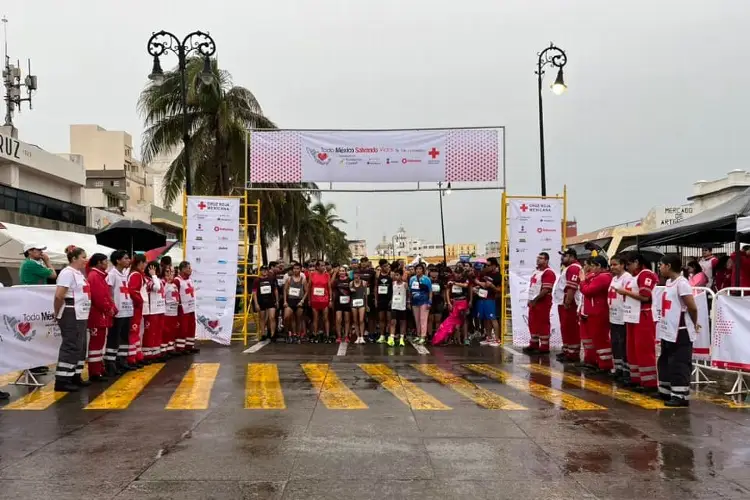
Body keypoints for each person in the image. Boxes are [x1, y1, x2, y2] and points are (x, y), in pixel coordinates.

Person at [657, 254, 700, 407]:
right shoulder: (669, 282)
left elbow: (692, 307)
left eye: (661, 265)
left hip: (680, 330)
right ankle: (666, 390)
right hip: (668, 328)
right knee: (666, 360)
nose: (659, 268)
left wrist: (694, 324)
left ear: (668, 266)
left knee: (679, 362)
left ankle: (680, 395)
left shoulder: (682, 283)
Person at [617, 252, 659, 392]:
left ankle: (649, 382)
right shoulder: (634, 277)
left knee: (644, 349)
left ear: (636, 262)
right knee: (632, 349)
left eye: (628, 264)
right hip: (632, 316)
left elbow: (645, 296)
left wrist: (625, 292)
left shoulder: (646, 274)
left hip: (643, 316)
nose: (627, 267)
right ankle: (636, 378)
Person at [52, 247, 91, 392]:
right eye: (83, 257)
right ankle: (62, 380)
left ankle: (75, 374)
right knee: (71, 345)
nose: (85, 260)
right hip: (71, 312)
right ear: (74, 258)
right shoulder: (67, 273)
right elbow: (59, 296)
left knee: (80, 347)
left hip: (81, 313)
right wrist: (57, 313)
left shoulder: (79, 274)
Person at [19, 243, 57, 376]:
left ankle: (35, 363)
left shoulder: (34, 264)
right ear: (29, 251)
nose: (41, 252)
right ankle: (31, 364)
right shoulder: (31, 264)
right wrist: (48, 261)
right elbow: (53, 275)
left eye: (42, 250)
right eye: (38, 250)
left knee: (36, 333)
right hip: (32, 303)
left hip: (35, 302)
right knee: (32, 333)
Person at [578, 255, 613, 372]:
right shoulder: (598, 276)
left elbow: (588, 291)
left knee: (601, 339)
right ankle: (597, 362)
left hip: (599, 312)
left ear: (599, 266)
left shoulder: (603, 277)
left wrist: (583, 281)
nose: (591, 269)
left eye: (593, 266)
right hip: (593, 312)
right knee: (595, 339)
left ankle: (605, 365)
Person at [86, 253, 117, 382]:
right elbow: (98, 297)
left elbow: (106, 295)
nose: (107, 264)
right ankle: (94, 371)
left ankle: (99, 368)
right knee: (96, 343)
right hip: (97, 315)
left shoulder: (99, 276)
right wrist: (108, 308)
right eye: (105, 261)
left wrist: (112, 307)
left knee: (100, 343)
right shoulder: (95, 276)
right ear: (99, 262)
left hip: (101, 315)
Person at [524, 252, 557, 355]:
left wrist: (535, 300)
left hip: (542, 302)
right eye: (538, 258)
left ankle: (544, 347)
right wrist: (530, 300)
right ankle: (533, 344)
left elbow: (546, 289)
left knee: (542, 323)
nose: (538, 260)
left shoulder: (548, 272)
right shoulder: (536, 272)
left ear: (546, 260)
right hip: (534, 302)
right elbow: (533, 287)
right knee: (533, 323)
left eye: (541, 258)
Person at [107, 250, 133, 374]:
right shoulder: (112, 274)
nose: (128, 260)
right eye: (126, 258)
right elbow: (108, 291)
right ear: (118, 260)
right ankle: (110, 363)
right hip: (117, 311)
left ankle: (122, 360)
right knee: (114, 337)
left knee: (124, 337)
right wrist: (112, 306)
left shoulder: (124, 274)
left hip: (127, 309)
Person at [553, 249, 582, 362]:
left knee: (571, 328)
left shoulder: (574, 268)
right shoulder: (569, 268)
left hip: (570, 303)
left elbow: (572, 287)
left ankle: (573, 354)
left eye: (564, 256)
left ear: (571, 256)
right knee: (565, 327)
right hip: (564, 301)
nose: (562, 258)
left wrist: (568, 302)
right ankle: (567, 350)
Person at [608, 255, 632, 381]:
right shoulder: (614, 279)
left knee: (623, 344)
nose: (612, 267)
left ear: (622, 265)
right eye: (611, 265)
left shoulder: (627, 278)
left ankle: (626, 370)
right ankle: (618, 368)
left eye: (615, 264)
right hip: (613, 316)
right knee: (615, 343)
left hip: (623, 317)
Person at [432, 267, 471, 345]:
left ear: (462, 273)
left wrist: (455, 283)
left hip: (463, 301)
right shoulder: (450, 279)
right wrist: (448, 303)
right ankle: (452, 339)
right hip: (454, 302)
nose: (458, 275)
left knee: (464, 320)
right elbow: (447, 291)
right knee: (453, 321)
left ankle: (465, 338)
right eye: (456, 273)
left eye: (459, 273)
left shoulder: (465, 279)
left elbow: (466, 286)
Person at [474, 257, 501, 346]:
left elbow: (499, 290)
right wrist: (477, 287)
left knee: (492, 318)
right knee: (485, 319)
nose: (486, 267)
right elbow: (482, 284)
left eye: (488, 265)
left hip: (491, 299)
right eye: (485, 265)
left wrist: (491, 286)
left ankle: (497, 339)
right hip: (482, 298)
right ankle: (489, 337)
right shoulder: (483, 274)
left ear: (494, 266)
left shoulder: (498, 276)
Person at [127, 254, 149, 367]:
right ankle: (132, 357)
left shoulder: (139, 274)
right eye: (145, 263)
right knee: (134, 332)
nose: (146, 265)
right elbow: (133, 291)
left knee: (138, 332)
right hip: (135, 307)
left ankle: (137, 355)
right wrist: (140, 302)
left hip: (138, 307)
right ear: (140, 263)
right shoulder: (136, 275)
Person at [174, 261, 197, 354]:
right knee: (183, 328)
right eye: (188, 268)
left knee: (191, 327)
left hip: (191, 308)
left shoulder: (189, 280)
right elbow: (175, 294)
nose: (190, 270)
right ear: (183, 269)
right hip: (182, 308)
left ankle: (189, 346)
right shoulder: (177, 280)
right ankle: (180, 348)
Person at [144, 261, 166, 362]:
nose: (160, 269)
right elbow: (156, 287)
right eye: (158, 267)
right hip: (152, 311)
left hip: (160, 309)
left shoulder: (159, 280)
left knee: (158, 332)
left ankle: (156, 352)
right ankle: (148, 354)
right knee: (150, 333)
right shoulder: (148, 280)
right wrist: (153, 275)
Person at [308, 260, 332, 343]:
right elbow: (309, 288)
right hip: (315, 300)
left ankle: (327, 335)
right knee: (315, 319)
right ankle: (315, 335)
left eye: (324, 265)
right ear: (317, 267)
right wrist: (309, 299)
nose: (323, 267)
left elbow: (329, 288)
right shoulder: (312, 274)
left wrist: (330, 300)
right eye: (321, 265)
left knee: (326, 318)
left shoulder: (327, 275)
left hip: (324, 300)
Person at [253, 266, 279, 341]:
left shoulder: (272, 279)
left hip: (271, 300)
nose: (264, 271)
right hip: (261, 301)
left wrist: (277, 301)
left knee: (272, 317)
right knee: (262, 318)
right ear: (260, 271)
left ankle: (272, 334)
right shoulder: (256, 280)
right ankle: (263, 334)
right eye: (263, 270)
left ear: (268, 271)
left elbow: (275, 290)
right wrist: (256, 303)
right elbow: (254, 292)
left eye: (266, 270)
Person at [409, 263, 433, 344]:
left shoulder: (427, 279)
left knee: (423, 319)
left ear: (423, 270)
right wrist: (409, 301)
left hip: (424, 301)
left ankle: (423, 336)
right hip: (415, 302)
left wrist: (430, 301)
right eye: (417, 269)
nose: (418, 270)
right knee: (417, 319)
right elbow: (410, 290)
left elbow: (430, 291)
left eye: (420, 269)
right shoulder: (412, 279)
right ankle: (418, 335)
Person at [283, 262, 307, 343]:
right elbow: (285, 290)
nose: (296, 270)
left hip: (299, 301)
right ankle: (288, 333)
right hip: (290, 301)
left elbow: (307, 291)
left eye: (297, 269)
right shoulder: (289, 279)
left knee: (298, 319)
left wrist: (302, 300)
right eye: (294, 269)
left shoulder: (303, 279)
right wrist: (285, 301)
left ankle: (297, 335)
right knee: (287, 317)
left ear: (300, 269)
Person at [389, 269, 409, 346]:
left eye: (397, 275)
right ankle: (391, 338)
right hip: (394, 306)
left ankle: (401, 339)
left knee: (402, 323)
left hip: (402, 306)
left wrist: (408, 302)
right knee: (393, 322)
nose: (395, 276)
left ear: (401, 275)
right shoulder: (393, 283)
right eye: (395, 275)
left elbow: (408, 294)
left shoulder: (405, 284)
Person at [374, 260, 393, 343]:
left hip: (389, 300)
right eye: (385, 266)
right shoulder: (378, 275)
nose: (386, 267)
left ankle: (389, 336)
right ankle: (382, 336)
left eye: (387, 266)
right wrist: (376, 299)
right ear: (381, 267)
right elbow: (375, 287)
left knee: (389, 319)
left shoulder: (391, 275)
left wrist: (392, 299)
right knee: (381, 319)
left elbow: (394, 287)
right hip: (381, 300)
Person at [163, 266, 179, 356]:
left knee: (173, 330)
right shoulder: (164, 284)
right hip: (167, 311)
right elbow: (162, 294)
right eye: (168, 272)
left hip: (174, 311)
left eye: (172, 272)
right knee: (166, 331)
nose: (170, 275)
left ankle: (171, 348)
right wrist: (167, 283)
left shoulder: (174, 285)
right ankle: (165, 350)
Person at [333, 267, 352, 343]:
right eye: (340, 271)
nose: (341, 272)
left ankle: (346, 336)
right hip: (338, 302)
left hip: (347, 302)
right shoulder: (336, 281)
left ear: (345, 272)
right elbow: (332, 286)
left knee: (347, 320)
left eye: (343, 271)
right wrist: (334, 273)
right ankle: (339, 336)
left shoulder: (349, 280)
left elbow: (352, 289)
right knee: (338, 320)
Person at [350, 270, 369, 344]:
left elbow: (366, 295)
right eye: (355, 275)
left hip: (362, 303)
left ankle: (362, 337)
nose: (356, 276)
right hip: (354, 303)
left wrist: (366, 304)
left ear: (359, 275)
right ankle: (358, 337)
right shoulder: (351, 283)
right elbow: (350, 294)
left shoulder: (364, 283)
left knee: (361, 320)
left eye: (357, 275)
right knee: (355, 320)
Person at [428, 266, 445, 342]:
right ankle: (429, 336)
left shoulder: (440, 282)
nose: (434, 273)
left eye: (435, 272)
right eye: (432, 272)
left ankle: (437, 336)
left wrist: (445, 302)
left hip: (439, 302)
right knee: (430, 319)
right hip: (430, 302)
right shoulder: (427, 281)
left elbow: (443, 292)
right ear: (430, 273)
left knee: (438, 320)